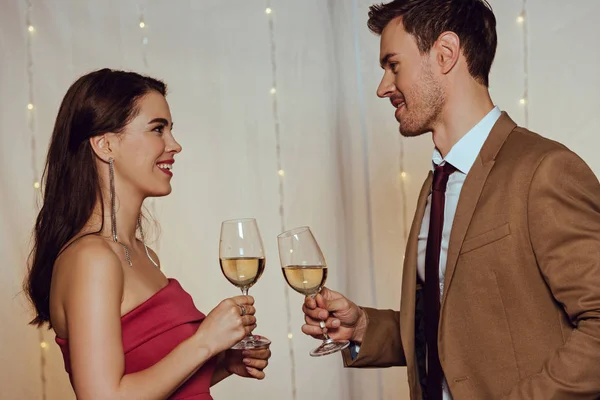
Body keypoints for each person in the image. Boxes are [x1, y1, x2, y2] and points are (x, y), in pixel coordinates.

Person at [302, 1, 600, 399]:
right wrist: (362, 328)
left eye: (393, 65)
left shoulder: (544, 170)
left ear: (445, 53)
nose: (383, 87)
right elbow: (454, 328)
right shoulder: (436, 185)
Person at [24, 69, 270, 400]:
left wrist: (223, 361)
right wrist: (204, 341)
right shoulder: (91, 258)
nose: (175, 145)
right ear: (106, 144)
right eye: (158, 129)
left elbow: (150, 378)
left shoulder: (138, 252)